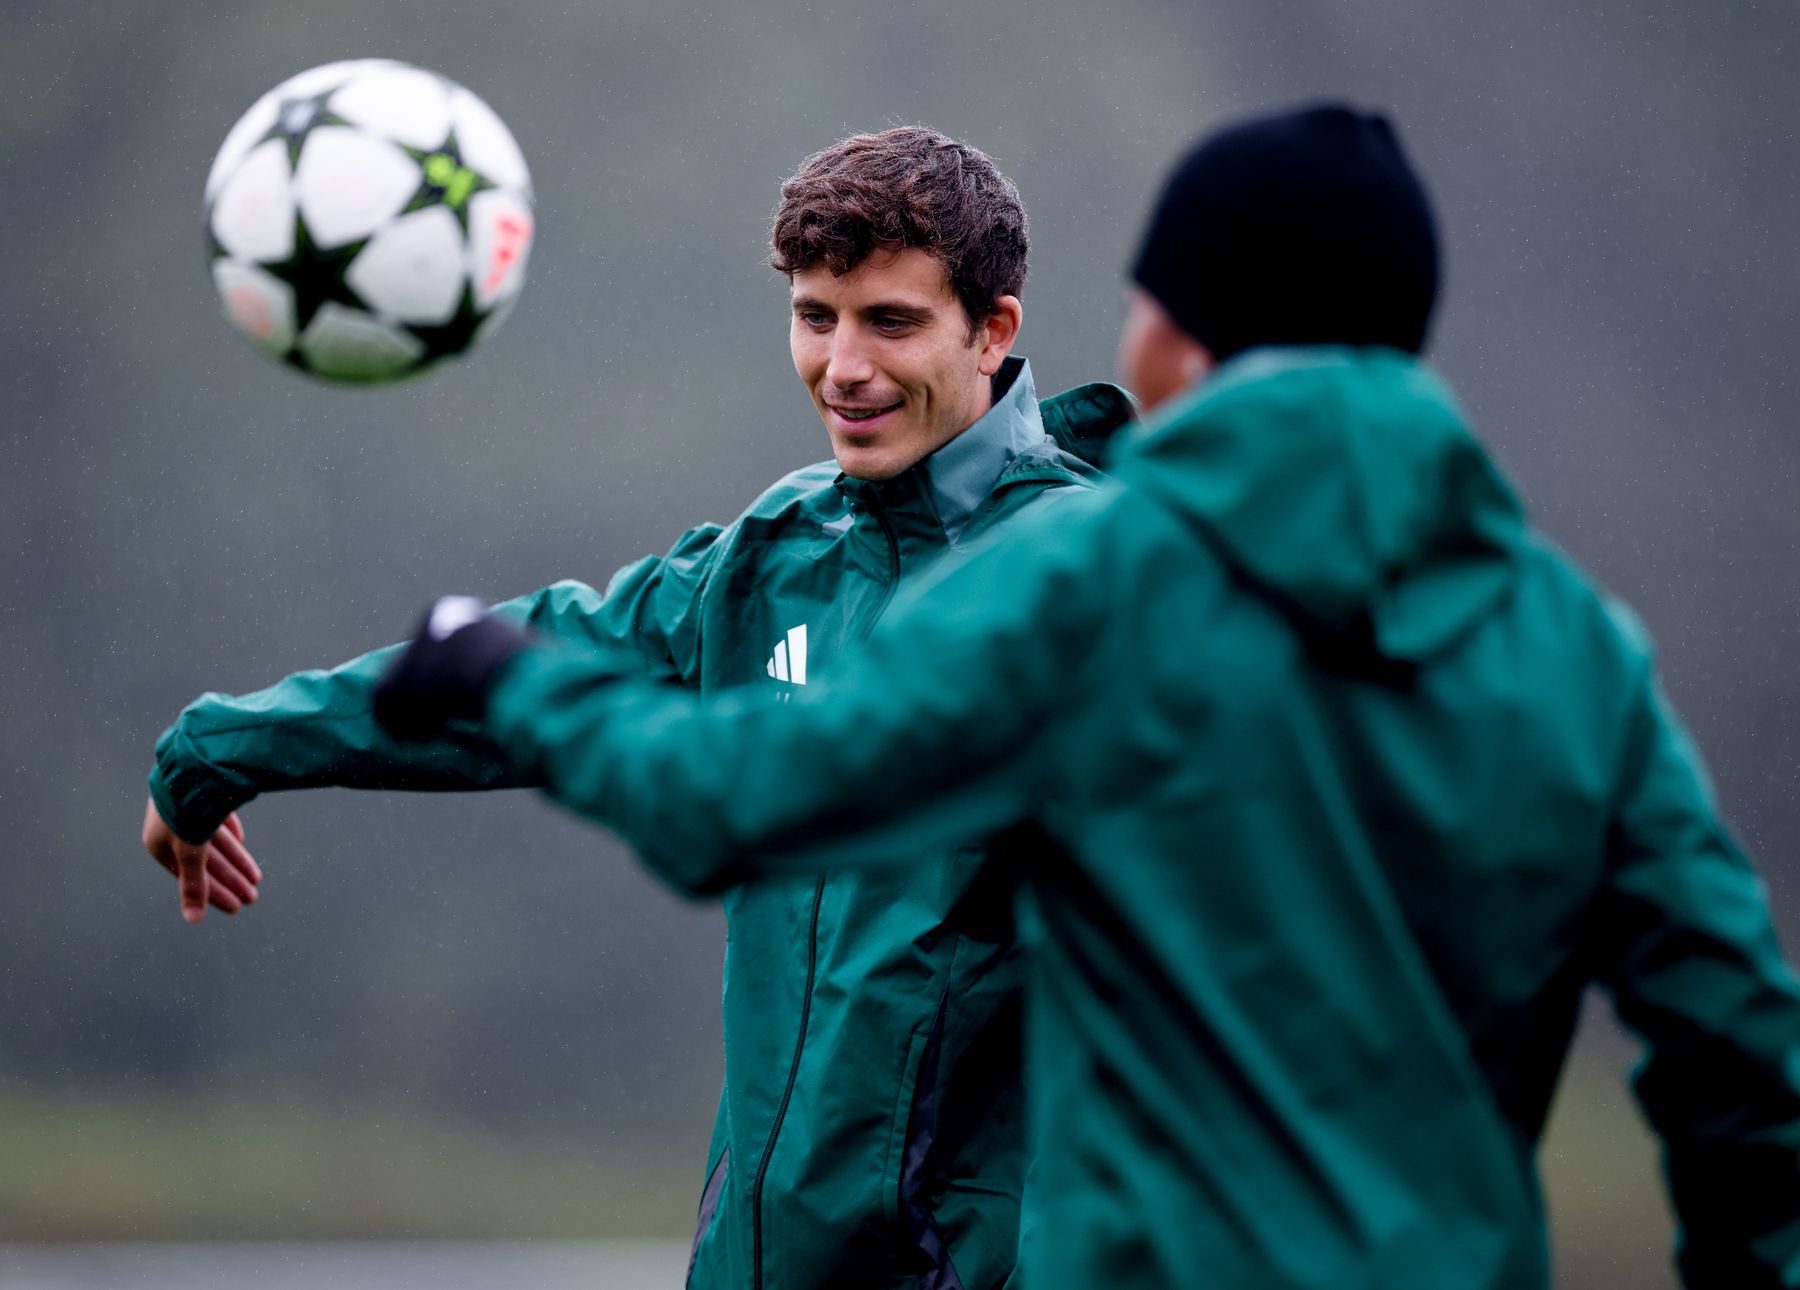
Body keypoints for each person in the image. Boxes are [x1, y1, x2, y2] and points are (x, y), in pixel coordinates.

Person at [371, 104, 1800, 1289]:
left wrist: (503, 677)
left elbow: (739, 798)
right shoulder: (1577, 648)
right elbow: (1741, 1053)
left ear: (1185, 330)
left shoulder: (1092, 585)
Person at [141, 126, 1136, 1290]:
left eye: (892, 322)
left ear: (994, 329)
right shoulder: (779, 549)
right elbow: (523, 664)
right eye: (817, 318)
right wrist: (220, 748)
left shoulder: (1097, 573)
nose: (845, 367)